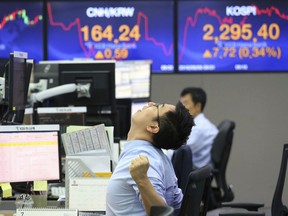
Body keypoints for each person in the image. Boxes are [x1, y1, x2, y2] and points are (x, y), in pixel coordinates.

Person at [106, 102, 194, 216]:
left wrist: (142, 180)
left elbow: (161, 213)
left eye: (156, 107)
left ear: (153, 127)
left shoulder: (143, 159)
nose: (150, 104)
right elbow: (178, 204)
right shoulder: (159, 156)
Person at [179, 87, 218, 168]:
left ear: (198, 106)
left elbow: (179, 151)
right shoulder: (199, 124)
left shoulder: (199, 128)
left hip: (193, 173)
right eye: (180, 103)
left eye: (185, 103)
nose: (180, 107)